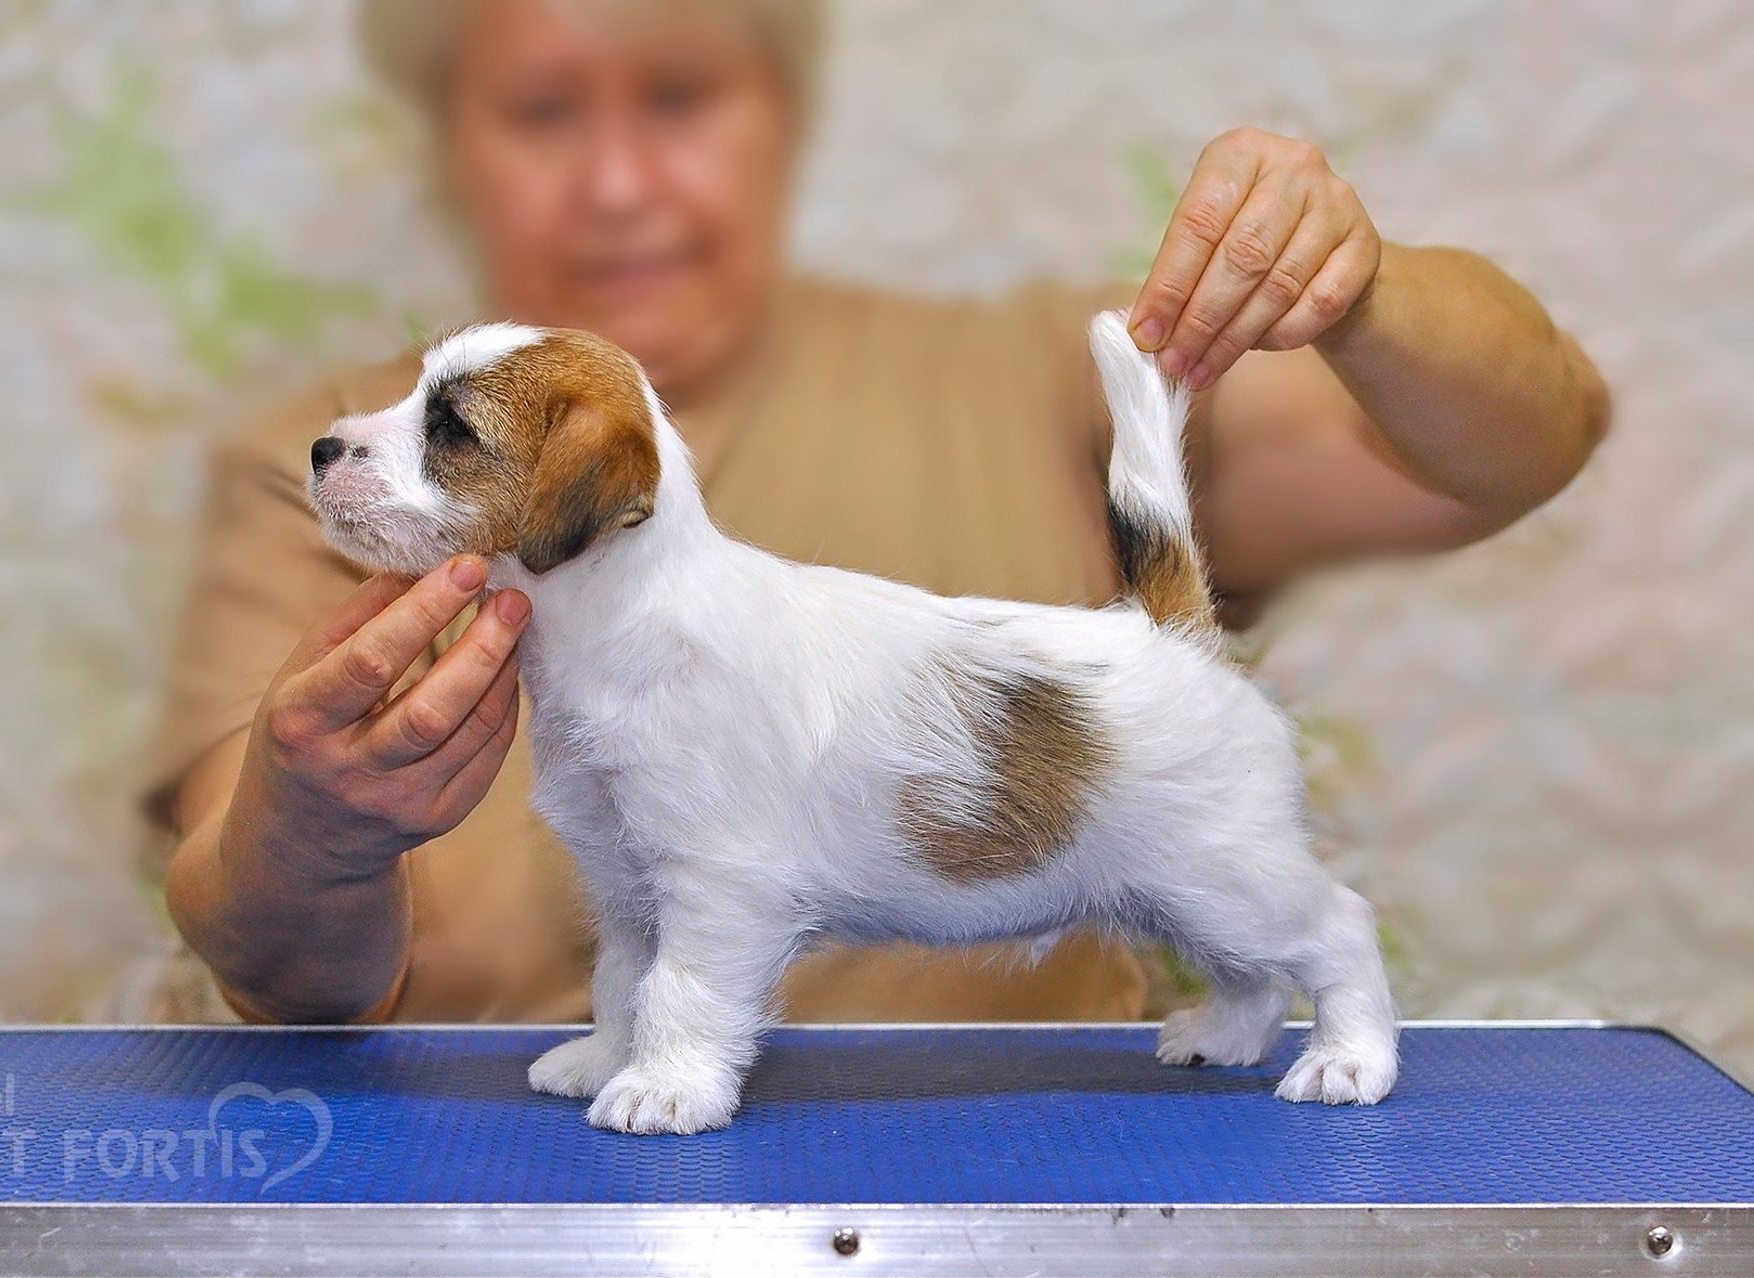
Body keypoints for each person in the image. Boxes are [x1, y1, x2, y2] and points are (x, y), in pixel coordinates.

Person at [149, 0, 1610, 1026]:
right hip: (504, 1197)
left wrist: (1361, 288)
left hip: (1048, 1173)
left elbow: (1523, 448)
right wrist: (310, 826)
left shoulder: (1010, 366)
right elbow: (258, 955)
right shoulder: (305, 469)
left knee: (1228, 888)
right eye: (539, 110)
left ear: (784, 119)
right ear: (447, 143)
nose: (616, 180)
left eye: (678, 97)